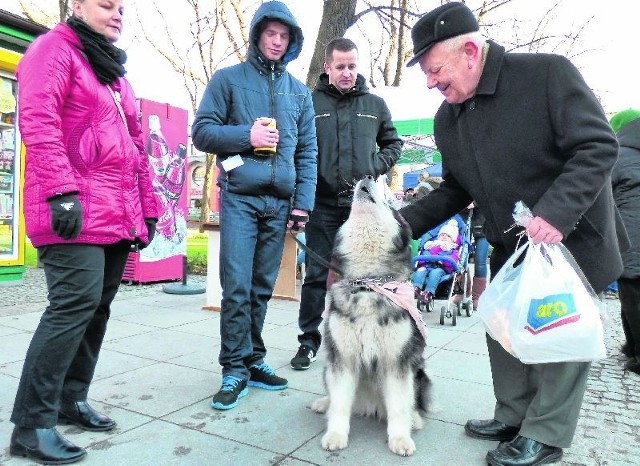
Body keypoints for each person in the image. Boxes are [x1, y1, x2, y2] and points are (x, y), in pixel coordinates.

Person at [399, 3, 627, 466]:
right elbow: (456, 189)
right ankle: (514, 414)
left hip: (568, 242)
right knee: (503, 328)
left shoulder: (547, 75)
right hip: (511, 246)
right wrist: (396, 226)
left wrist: (555, 213)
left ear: (468, 52)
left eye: (434, 70)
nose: (430, 83)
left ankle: (544, 434)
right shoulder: (449, 118)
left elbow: (598, 145)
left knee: (558, 336)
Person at [8, 1, 159, 464]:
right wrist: (60, 190)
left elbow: (137, 149)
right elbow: (37, 120)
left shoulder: (113, 74)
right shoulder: (52, 50)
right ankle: (32, 426)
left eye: (122, 8)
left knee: (97, 309)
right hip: (73, 208)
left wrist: (148, 206)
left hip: (115, 211)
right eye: (106, 4)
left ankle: (72, 398)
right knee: (72, 306)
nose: (117, 13)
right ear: (77, 5)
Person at [191, 1, 317, 410]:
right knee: (237, 288)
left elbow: (308, 153)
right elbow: (203, 133)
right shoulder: (227, 80)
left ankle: (253, 359)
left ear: (292, 40)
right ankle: (233, 369)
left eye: (284, 36)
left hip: (280, 203)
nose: (277, 42)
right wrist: (248, 136)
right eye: (271, 34)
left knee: (263, 288)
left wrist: (303, 205)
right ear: (258, 35)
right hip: (240, 199)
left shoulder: (299, 93)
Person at [290, 37, 402, 370]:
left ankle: (361, 340)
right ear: (327, 67)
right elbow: (299, 151)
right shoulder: (310, 104)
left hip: (362, 209)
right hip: (322, 205)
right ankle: (309, 342)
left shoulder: (375, 104)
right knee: (315, 275)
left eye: (352, 66)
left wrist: (374, 168)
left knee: (362, 276)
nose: (347, 73)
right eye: (340, 67)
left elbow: (393, 144)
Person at [609, 108, 640, 375]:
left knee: (631, 297)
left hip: (630, 238)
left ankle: (637, 353)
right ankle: (631, 348)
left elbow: (599, 192)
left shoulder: (617, 156)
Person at [412, 219, 461, 303]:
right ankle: (416, 288)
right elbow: (421, 260)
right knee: (420, 270)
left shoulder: (453, 250)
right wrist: (425, 257)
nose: (444, 237)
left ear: (453, 240)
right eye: (442, 235)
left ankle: (429, 292)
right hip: (427, 266)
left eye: (448, 236)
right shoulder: (431, 246)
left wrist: (441, 259)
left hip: (441, 268)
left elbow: (452, 262)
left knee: (435, 273)